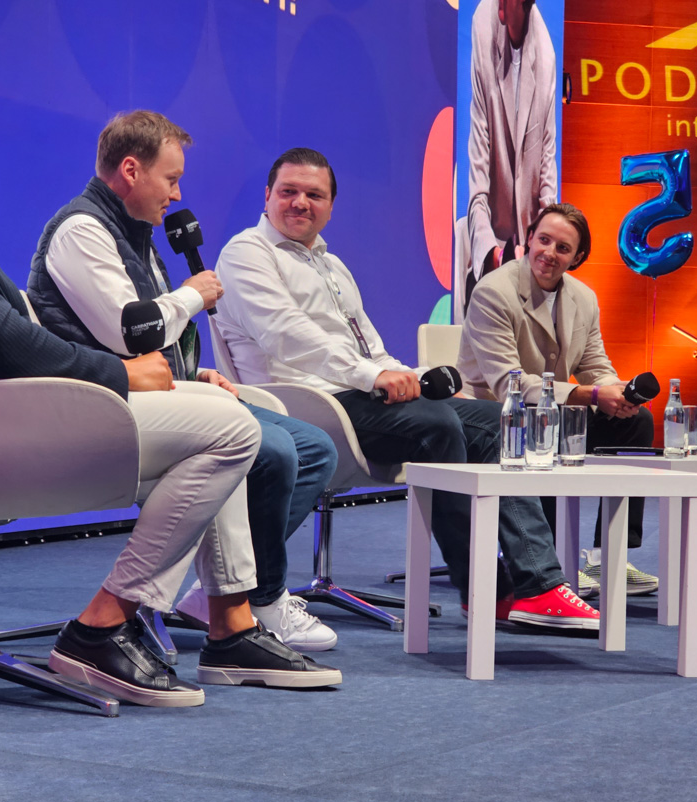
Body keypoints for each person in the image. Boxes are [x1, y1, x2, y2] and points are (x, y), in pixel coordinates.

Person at [0, 26, 338, 710]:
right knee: (230, 431)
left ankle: (224, 624)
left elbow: (5, 327)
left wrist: (158, 378)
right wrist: (121, 376)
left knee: (222, 418)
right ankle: (105, 624)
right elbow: (3, 340)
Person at [214, 147, 598, 630]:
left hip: (357, 395)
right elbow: (286, 335)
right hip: (302, 402)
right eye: (289, 191)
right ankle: (482, 588)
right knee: (436, 425)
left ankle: (534, 585)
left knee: (499, 421)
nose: (300, 203)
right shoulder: (247, 252)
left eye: (314, 195)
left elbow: (371, 348)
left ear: (331, 205)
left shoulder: (332, 266)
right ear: (267, 195)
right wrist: (371, 377)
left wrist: (416, 379)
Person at [27, 110, 339, 652]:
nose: (176, 195)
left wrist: (194, 373)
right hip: (106, 406)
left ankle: (229, 599)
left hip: (163, 392)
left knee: (313, 447)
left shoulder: (137, 233)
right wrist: (194, 293)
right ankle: (246, 606)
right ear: (131, 170)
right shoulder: (82, 230)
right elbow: (131, 332)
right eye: (171, 179)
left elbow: (154, 339)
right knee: (265, 448)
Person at [457, 203, 659, 597]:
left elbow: (595, 365)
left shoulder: (584, 298)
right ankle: (548, 563)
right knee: (543, 426)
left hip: (553, 410)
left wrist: (617, 393)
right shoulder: (493, 292)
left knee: (636, 422)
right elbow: (510, 385)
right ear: (529, 238)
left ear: (577, 257)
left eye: (562, 248)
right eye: (544, 240)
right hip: (497, 417)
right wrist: (591, 394)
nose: (549, 253)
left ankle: (608, 556)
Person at [466, 0, 557, 301]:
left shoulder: (545, 54)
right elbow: (479, 158)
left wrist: (546, 243)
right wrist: (491, 253)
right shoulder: (482, 24)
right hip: (491, 244)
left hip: (529, 249)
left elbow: (546, 166)